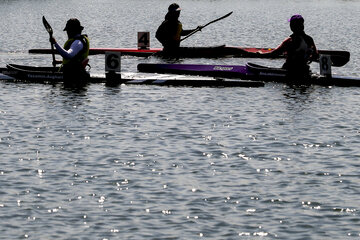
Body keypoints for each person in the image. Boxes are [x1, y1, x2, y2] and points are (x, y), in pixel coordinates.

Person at [259, 15, 318, 79]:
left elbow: (274, 53)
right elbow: (315, 55)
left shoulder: (289, 40)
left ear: (292, 27)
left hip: (289, 70)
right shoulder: (309, 39)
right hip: (304, 70)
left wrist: (259, 54)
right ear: (302, 26)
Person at [50, 18, 90, 84]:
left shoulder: (78, 42)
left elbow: (68, 55)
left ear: (73, 30)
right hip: (73, 74)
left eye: (68, 31)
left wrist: (55, 43)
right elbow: (75, 59)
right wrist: (60, 62)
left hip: (74, 77)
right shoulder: (78, 41)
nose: (67, 33)